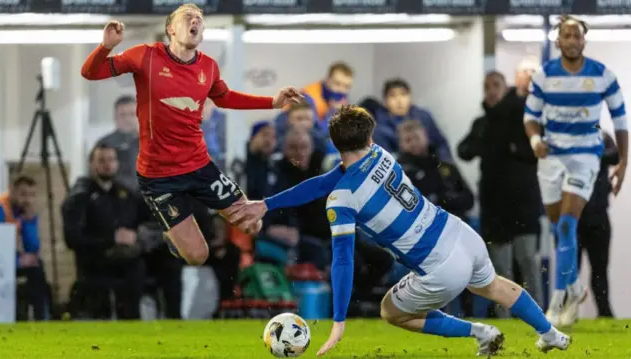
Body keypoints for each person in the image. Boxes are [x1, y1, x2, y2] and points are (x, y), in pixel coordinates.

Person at [229, 105, 571, 356]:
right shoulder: (382, 154)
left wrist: (338, 320)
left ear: (334, 145)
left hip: (439, 264)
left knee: (392, 312)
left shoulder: (342, 200)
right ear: (370, 135)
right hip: (460, 233)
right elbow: (323, 181)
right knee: (494, 286)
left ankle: (479, 332)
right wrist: (267, 203)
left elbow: (343, 261)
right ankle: (551, 333)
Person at [80, 4, 303, 266]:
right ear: (170, 29)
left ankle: (190, 222)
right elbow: (90, 72)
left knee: (253, 225)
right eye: (188, 17)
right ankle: (172, 236)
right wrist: (106, 46)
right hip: (158, 177)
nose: (196, 21)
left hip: (199, 167)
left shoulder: (207, 66)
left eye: (200, 19)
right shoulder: (145, 56)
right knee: (198, 256)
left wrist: (272, 102)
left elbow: (225, 97)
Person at [523, 15, 628, 327]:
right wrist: (535, 139)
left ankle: (557, 302)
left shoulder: (602, 75)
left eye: (577, 36)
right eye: (566, 36)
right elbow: (530, 116)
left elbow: (620, 120)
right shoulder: (544, 76)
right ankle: (574, 287)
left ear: (584, 40)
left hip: (585, 156)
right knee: (559, 231)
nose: (571, 41)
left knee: (568, 226)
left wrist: (624, 162)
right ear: (558, 41)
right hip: (551, 158)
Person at [458, 71, 544, 314]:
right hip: (494, 205)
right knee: (500, 269)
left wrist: (514, 150)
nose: (491, 90)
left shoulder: (522, 120)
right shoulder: (483, 124)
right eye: (487, 86)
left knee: (528, 261)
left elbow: (534, 152)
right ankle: (504, 320)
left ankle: (538, 318)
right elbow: (463, 149)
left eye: (496, 85)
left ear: (505, 88)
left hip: (523, 202)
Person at [62, 144, 145, 319]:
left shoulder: (126, 194)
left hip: (126, 257)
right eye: (101, 160)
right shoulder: (80, 196)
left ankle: (135, 321)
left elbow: (142, 221)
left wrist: (137, 236)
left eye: (111, 160)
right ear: (91, 164)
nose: (107, 165)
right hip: (94, 260)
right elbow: (72, 238)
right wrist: (111, 239)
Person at [0, 176, 49, 320]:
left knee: (37, 268)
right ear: (12, 191)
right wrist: (17, 261)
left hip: (5, 259)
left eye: (32, 195)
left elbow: (33, 247)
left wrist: (30, 222)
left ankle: (42, 319)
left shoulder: (23, 213)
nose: (27, 200)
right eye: (23, 194)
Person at [577, 132, 618, 318]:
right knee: (570, 272)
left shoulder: (601, 136)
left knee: (600, 270)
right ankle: (569, 312)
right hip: (574, 217)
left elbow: (615, 155)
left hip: (599, 216)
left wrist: (591, 153)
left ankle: (604, 311)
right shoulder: (567, 135)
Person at [371, 79, 453, 162]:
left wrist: (443, 164)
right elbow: (385, 160)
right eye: (393, 96)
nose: (399, 100)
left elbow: (441, 144)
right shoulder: (378, 128)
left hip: (431, 165)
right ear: (385, 101)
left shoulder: (424, 117)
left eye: (403, 94)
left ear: (410, 97)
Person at [96, 95, 139, 191]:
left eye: (132, 114)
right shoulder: (104, 144)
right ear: (115, 117)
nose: (128, 119)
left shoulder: (150, 143)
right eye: (123, 115)